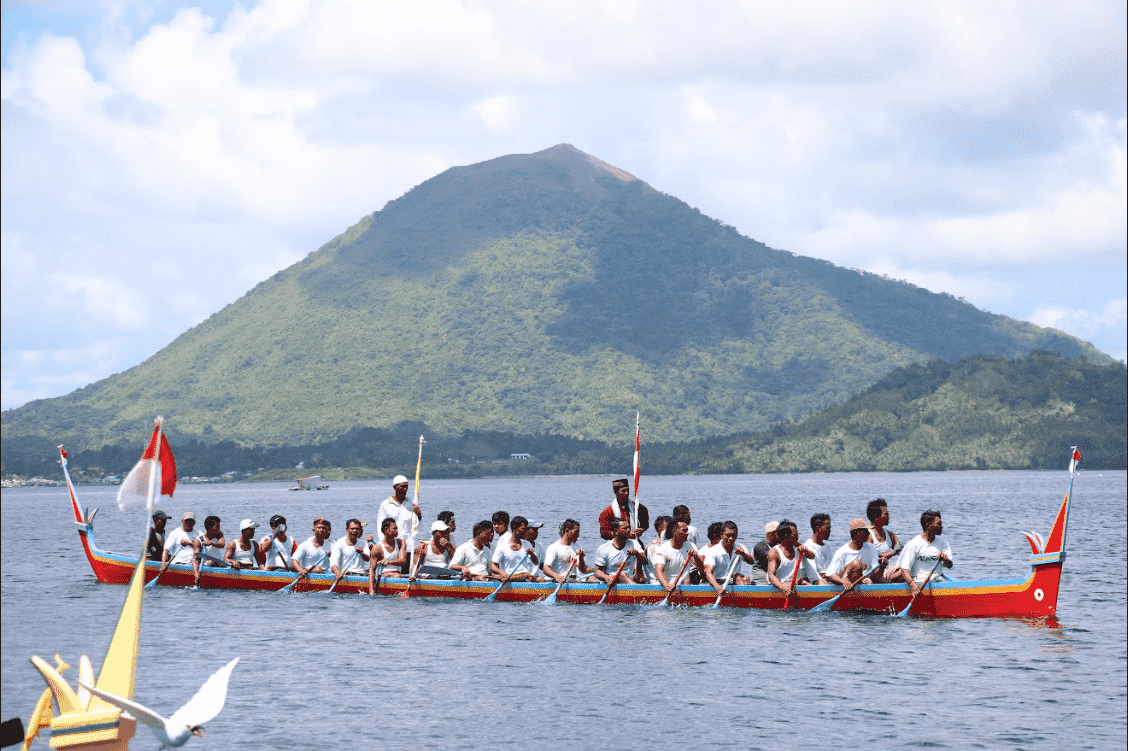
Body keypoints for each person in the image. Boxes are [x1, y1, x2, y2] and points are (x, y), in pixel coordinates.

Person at [896, 510, 954, 598]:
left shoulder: (943, 543)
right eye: (939, 523)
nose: (942, 526)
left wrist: (945, 560)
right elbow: (904, 570)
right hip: (919, 583)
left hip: (937, 582)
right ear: (928, 525)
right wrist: (913, 585)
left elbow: (949, 565)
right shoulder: (913, 544)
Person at [766, 519, 823, 597]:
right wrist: (783, 588)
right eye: (795, 534)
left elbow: (812, 556)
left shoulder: (798, 549)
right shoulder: (774, 552)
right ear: (786, 536)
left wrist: (804, 549)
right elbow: (771, 576)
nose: (798, 536)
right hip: (778, 587)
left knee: (807, 582)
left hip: (794, 585)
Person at [826, 519, 882, 591]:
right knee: (857, 563)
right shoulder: (842, 551)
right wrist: (843, 582)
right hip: (846, 586)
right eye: (865, 531)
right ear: (856, 532)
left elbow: (876, 572)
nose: (869, 533)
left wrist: (882, 567)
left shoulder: (872, 548)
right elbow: (830, 575)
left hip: (862, 581)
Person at [701, 521, 756, 593]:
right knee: (738, 577)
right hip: (718, 581)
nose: (731, 538)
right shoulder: (713, 551)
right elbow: (708, 573)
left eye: (733, 535)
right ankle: (746, 598)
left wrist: (743, 554)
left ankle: (745, 596)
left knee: (744, 578)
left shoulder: (740, 547)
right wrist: (717, 587)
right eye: (728, 535)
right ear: (721, 535)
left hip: (734, 579)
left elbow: (751, 562)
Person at [651, 519, 702, 592]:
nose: (687, 533)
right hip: (667, 585)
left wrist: (696, 556)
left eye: (687, 530)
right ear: (674, 531)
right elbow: (659, 571)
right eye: (684, 530)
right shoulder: (662, 549)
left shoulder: (691, 546)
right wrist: (667, 585)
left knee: (687, 580)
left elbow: (701, 569)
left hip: (685, 585)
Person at [592, 519, 647, 585]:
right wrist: (606, 577)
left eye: (629, 528)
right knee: (622, 575)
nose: (628, 530)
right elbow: (597, 571)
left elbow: (645, 561)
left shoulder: (634, 544)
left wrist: (637, 554)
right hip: (612, 582)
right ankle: (639, 593)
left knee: (639, 578)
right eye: (625, 528)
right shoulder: (604, 548)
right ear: (616, 531)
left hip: (629, 579)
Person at [376, 475, 423, 546]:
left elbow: (416, 523)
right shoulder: (386, 504)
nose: (405, 489)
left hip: (409, 544)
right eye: (402, 486)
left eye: (406, 486)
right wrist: (384, 544)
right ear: (394, 487)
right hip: (392, 545)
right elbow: (380, 525)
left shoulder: (412, 503)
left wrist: (419, 515)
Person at [491, 516, 541, 582]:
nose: (526, 531)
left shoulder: (527, 544)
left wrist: (532, 554)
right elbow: (492, 565)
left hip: (525, 577)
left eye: (526, 529)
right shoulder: (502, 546)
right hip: (510, 579)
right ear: (515, 528)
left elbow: (536, 562)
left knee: (541, 579)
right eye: (523, 529)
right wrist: (501, 573)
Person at [867, 498, 902, 581]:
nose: (889, 516)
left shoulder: (890, 535)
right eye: (886, 514)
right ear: (876, 517)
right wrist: (893, 552)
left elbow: (900, 547)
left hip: (884, 572)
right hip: (870, 574)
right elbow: (875, 558)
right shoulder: (867, 535)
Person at [162, 512, 198, 577]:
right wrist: (163, 564)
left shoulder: (198, 534)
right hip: (177, 563)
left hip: (192, 565)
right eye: (187, 521)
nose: (189, 523)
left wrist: (190, 544)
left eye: (191, 521)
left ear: (194, 522)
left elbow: (201, 549)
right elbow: (166, 550)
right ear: (182, 521)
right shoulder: (175, 533)